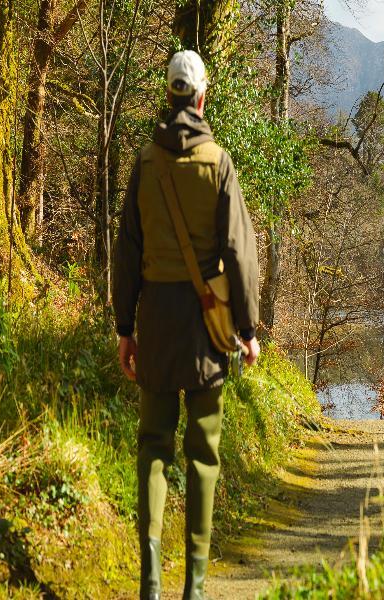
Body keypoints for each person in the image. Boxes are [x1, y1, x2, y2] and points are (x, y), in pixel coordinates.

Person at [112, 50, 260, 600]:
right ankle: (193, 587)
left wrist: (125, 327)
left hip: (154, 321)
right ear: (201, 98)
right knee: (203, 454)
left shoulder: (145, 163)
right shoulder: (219, 163)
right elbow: (240, 253)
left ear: (169, 96)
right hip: (204, 329)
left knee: (153, 445)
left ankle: (150, 579)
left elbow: (126, 251)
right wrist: (247, 330)